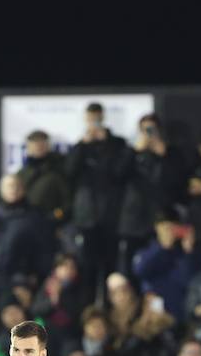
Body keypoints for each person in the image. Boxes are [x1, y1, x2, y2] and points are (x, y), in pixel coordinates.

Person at [66, 102, 131, 284]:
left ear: (103, 118)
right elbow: (69, 172)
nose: (94, 123)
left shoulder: (117, 144)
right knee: (87, 268)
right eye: (90, 119)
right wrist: (82, 145)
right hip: (86, 218)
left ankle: (109, 310)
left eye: (97, 119)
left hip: (111, 216)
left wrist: (106, 143)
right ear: (85, 120)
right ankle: (89, 310)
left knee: (111, 267)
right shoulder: (80, 146)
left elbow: (119, 173)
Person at [120, 113, 186, 259]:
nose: (149, 134)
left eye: (152, 130)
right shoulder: (130, 152)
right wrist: (134, 152)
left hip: (161, 219)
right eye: (145, 130)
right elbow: (117, 176)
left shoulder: (172, 153)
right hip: (135, 221)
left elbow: (179, 183)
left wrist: (165, 155)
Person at [0, 173, 54, 293]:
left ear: (23, 189)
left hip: (27, 277)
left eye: (17, 185)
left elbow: (44, 248)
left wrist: (38, 274)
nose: (13, 189)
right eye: (9, 186)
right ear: (1, 190)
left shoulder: (36, 215)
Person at [17, 130, 71, 221]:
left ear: (48, 146)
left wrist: (56, 217)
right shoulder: (22, 173)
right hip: (27, 222)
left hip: (51, 222)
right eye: (34, 144)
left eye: (41, 143)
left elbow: (68, 200)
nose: (38, 147)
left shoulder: (59, 168)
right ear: (28, 147)